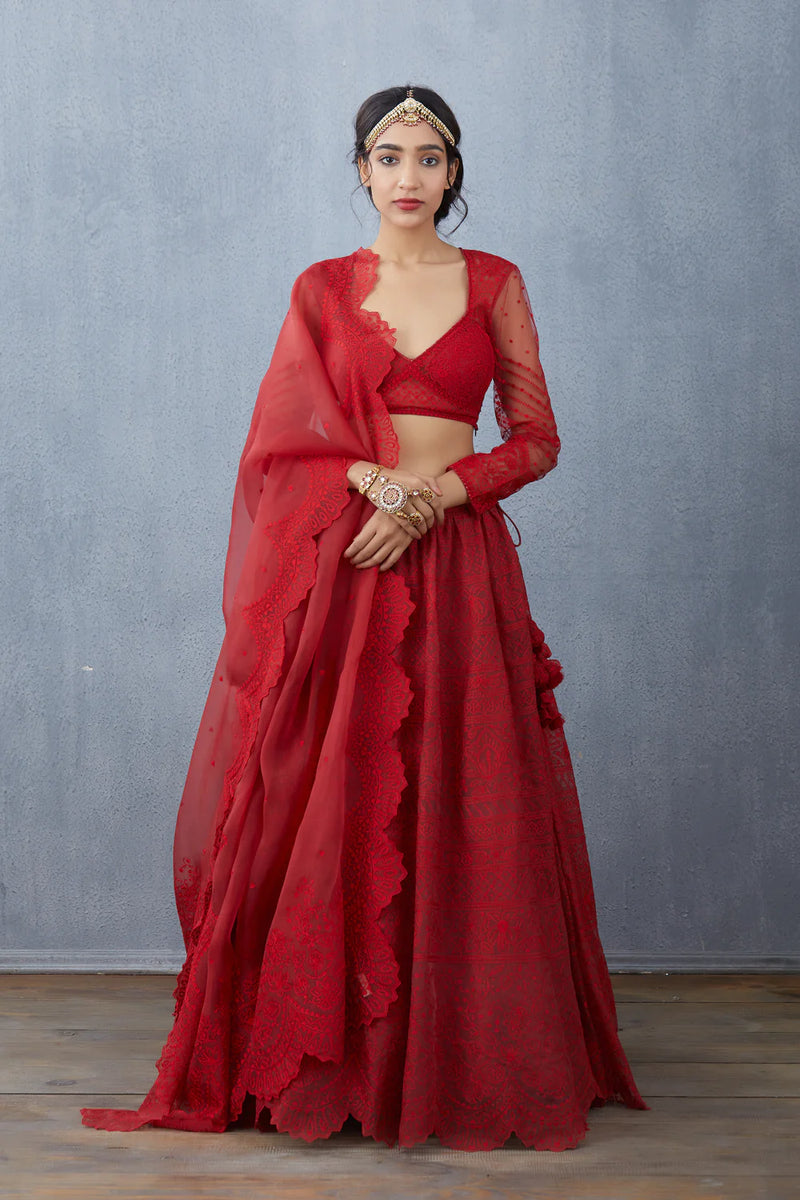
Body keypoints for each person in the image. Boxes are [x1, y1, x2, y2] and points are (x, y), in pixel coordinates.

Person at [81, 83, 648, 1151]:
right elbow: (278, 441)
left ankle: (458, 1058)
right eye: (388, 157)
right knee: (334, 792)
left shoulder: (495, 283)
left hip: (460, 566)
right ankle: (327, 1064)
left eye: (428, 157)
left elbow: (536, 438)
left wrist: (437, 496)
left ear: (453, 172)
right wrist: (375, 485)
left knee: (461, 790)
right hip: (351, 559)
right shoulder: (321, 290)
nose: (407, 176)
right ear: (360, 170)